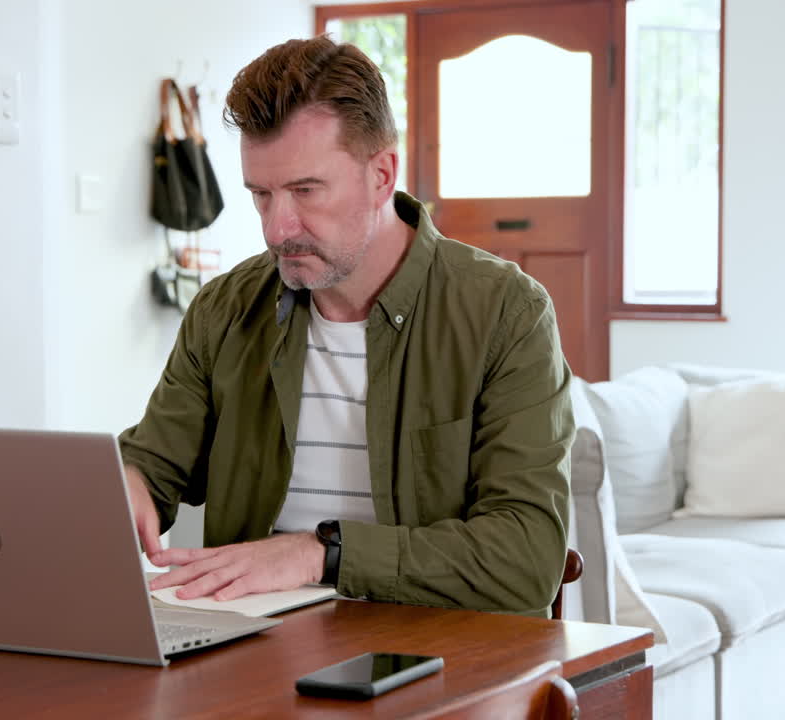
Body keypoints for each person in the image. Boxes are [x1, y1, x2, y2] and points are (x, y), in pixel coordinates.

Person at [119, 36, 574, 617]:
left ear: (382, 174)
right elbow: (154, 463)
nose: (277, 228)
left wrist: (319, 554)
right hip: (252, 653)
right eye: (261, 195)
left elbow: (525, 560)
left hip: (441, 656)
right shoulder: (224, 308)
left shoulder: (507, 313)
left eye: (306, 191)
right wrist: (129, 486)